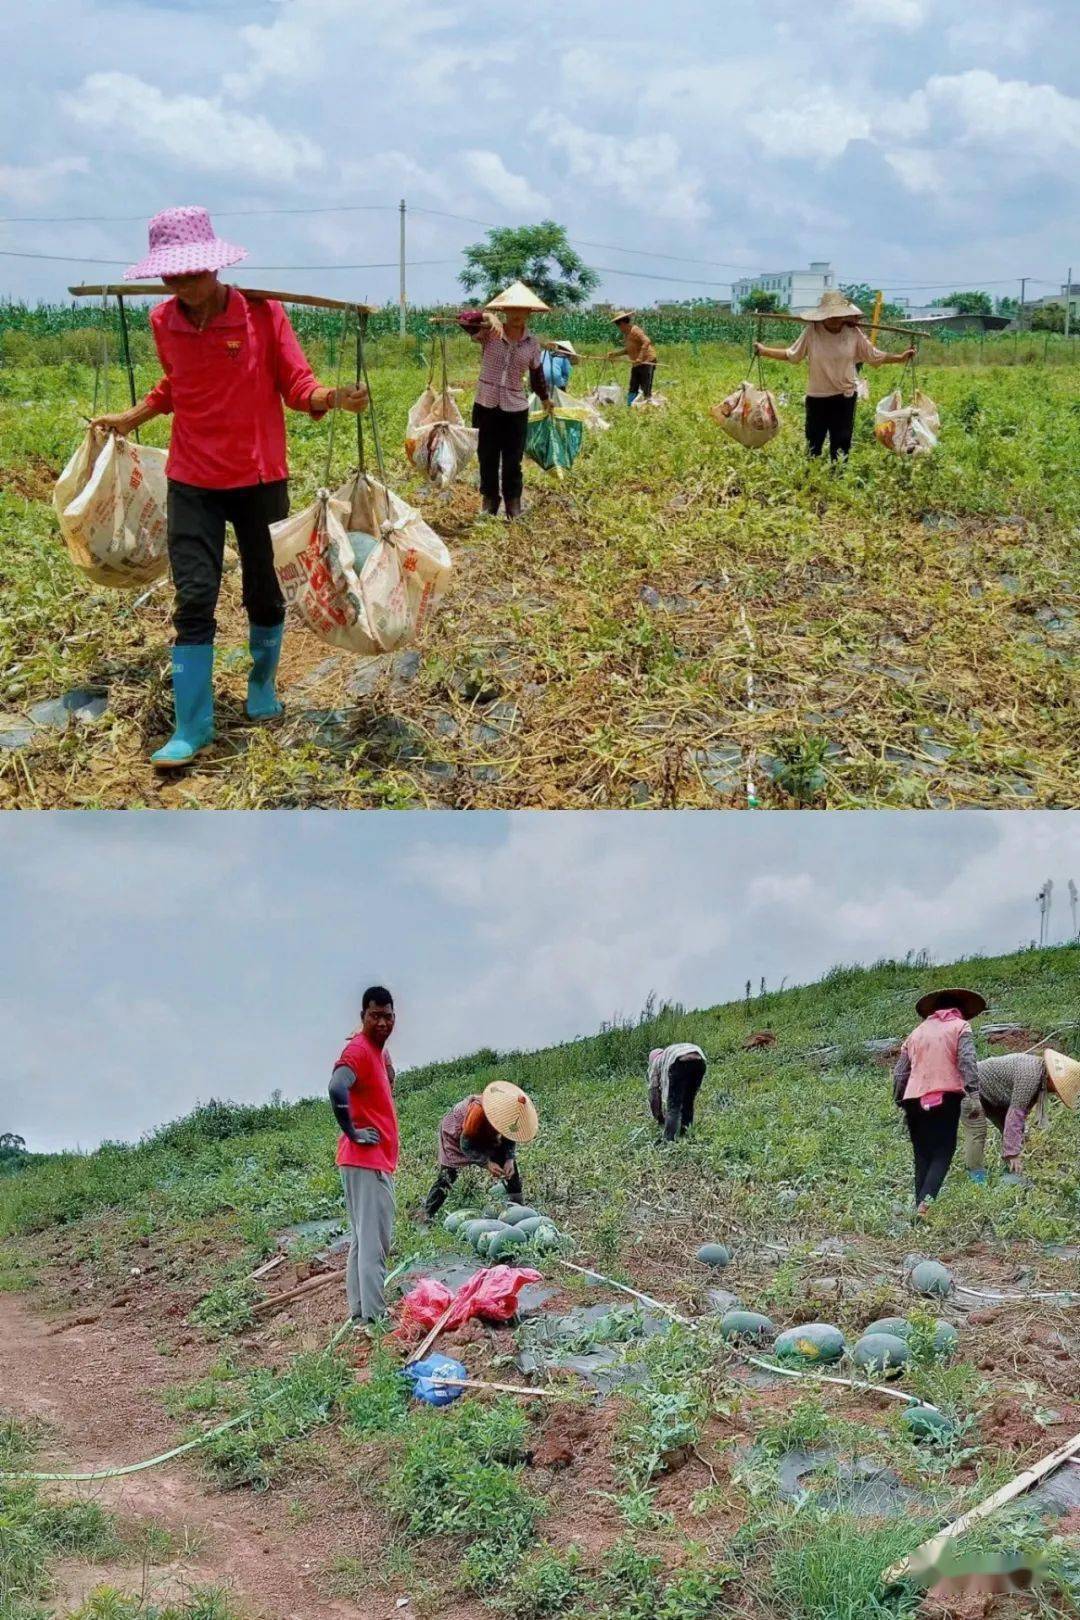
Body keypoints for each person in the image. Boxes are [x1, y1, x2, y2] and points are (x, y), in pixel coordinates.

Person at [91, 207, 369, 768]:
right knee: (194, 595)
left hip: (258, 477)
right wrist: (133, 417)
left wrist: (329, 398)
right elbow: (176, 384)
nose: (182, 286)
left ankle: (262, 686)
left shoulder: (263, 316)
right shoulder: (163, 320)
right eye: (171, 276)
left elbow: (296, 382)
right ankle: (192, 727)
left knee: (264, 591)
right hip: (192, 477)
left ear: (214, 266)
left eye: (191, 273)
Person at [753, 290, 914, 460]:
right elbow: (792, 355)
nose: (836, 320)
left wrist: (900, 358)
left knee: (841, 443)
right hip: (817, 397)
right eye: (831, 316)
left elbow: (874, 356)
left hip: (845, 397)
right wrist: (764, 351)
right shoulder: (812, 332)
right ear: (822, 316)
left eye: (839, 316)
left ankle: (838, 477)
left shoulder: (853, 333)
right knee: (814, 442)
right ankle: (813, 479)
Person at [328, 986, 398, 1324]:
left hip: (361, 1162)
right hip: (365, 1161)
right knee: (374, 1244)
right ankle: (375, 1318)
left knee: (361, 1239)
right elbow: (336, 1086)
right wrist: (352, 1130)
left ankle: (359, 1313)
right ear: (363, 1017)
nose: (382, 1022)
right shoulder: (357, 1050)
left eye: (387, 1016)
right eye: (375, 1016)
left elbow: (383, 1071)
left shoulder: (374, 1051)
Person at [459, 281, 553, 520]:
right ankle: (490, 501)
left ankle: (513, 504)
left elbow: (537, 375)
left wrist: (545, 399)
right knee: (487, 457)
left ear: (529, 313)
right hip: (486, 404)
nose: (517, 315)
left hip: (515, 408)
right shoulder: (489, 333)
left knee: (513, 460)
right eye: (512, 310)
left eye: (523, 310)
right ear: (506, 312)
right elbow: (463, 320)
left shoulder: (532, 344)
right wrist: (487, 316)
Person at [892, 987, 986, 1217]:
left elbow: (900, 1072)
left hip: (913, 1099)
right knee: (943, 1151)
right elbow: (967, 1061)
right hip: (946, 1097)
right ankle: (926, 1204)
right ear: (959, 1009)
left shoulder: (916, 1032)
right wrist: (973, 1093)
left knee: (922, 1154)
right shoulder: (960, 1026)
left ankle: (918, 1207)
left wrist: (899, 1099)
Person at [421, 1080, 539, 1219]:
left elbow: (509, 1135)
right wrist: (486, 1163)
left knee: (509, 1168)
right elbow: (466, 1144)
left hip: (485, 1132)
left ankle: (517, 1207)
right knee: (448, 1175)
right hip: (458, 1133)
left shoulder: (511, 1115)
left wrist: (509, 1159)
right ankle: (425, 1216)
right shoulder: (478, 1112)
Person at [963, 1047, 1080, 1183]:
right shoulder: (1030, 1075)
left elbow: (1020, 1117)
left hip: (993, 1097)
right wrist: (1013, 1154)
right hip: (969, 1088)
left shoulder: (1039, 1077)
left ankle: (1010, 1172)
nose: (1055, 1092)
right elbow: (1015, 1116)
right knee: (977, 1132)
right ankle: (977, 1179)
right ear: (1052, 1080)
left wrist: (1018, 1143)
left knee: (1009, 1130)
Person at [648, 1042, 707, 1141]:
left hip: (679, 1062)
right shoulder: (667, 1054)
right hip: (699, 1060)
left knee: (674, 1106)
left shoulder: (656, 1062)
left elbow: (654, 1093)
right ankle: (686, 1134)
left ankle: (668, 1140)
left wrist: (658, 1117)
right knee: (688, 1102)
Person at [607, 311, 657, 405]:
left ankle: (647, 405)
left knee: (645, 386)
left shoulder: (635, 330)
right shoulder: (626, 334)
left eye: (618, 325)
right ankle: (630, 406)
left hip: (647, 361)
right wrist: (615, 354)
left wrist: (640, 357)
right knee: (633, 385)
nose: (618, 328)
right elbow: (628, 350)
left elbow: (647, 341)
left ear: (622, 323)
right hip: (636, 363)